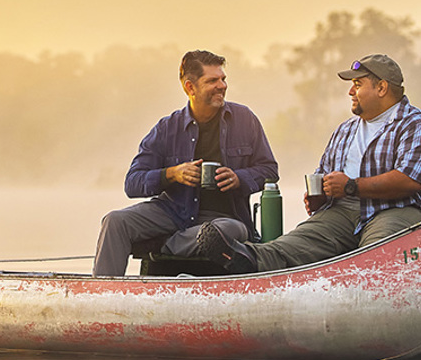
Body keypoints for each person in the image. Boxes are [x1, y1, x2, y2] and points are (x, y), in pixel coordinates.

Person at [197, 53, 421, 273]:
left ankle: (362, 289)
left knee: (375, 255)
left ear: (381, 88)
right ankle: (244, 258)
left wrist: (351, 186)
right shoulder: (346, 129)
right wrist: (321, 195)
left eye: (358, 84)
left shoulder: (413, 124)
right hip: (342, 211)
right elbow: (323, 174)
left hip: (395, 209)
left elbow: (409, 180)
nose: (351, 92)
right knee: (292, 245)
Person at [92, 50, 278, 276]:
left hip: (225, 219)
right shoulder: (166, 128)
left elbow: (269, 169)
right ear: (190, 87)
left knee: (227, 231)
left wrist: (239, 178)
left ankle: (160, 243)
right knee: (114, 221)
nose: (222, 86)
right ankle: (103, 293)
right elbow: (132, 183)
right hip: (172, 213)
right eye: (212, 81)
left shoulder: (244, 119)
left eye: (223, 79)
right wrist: (172, 174)